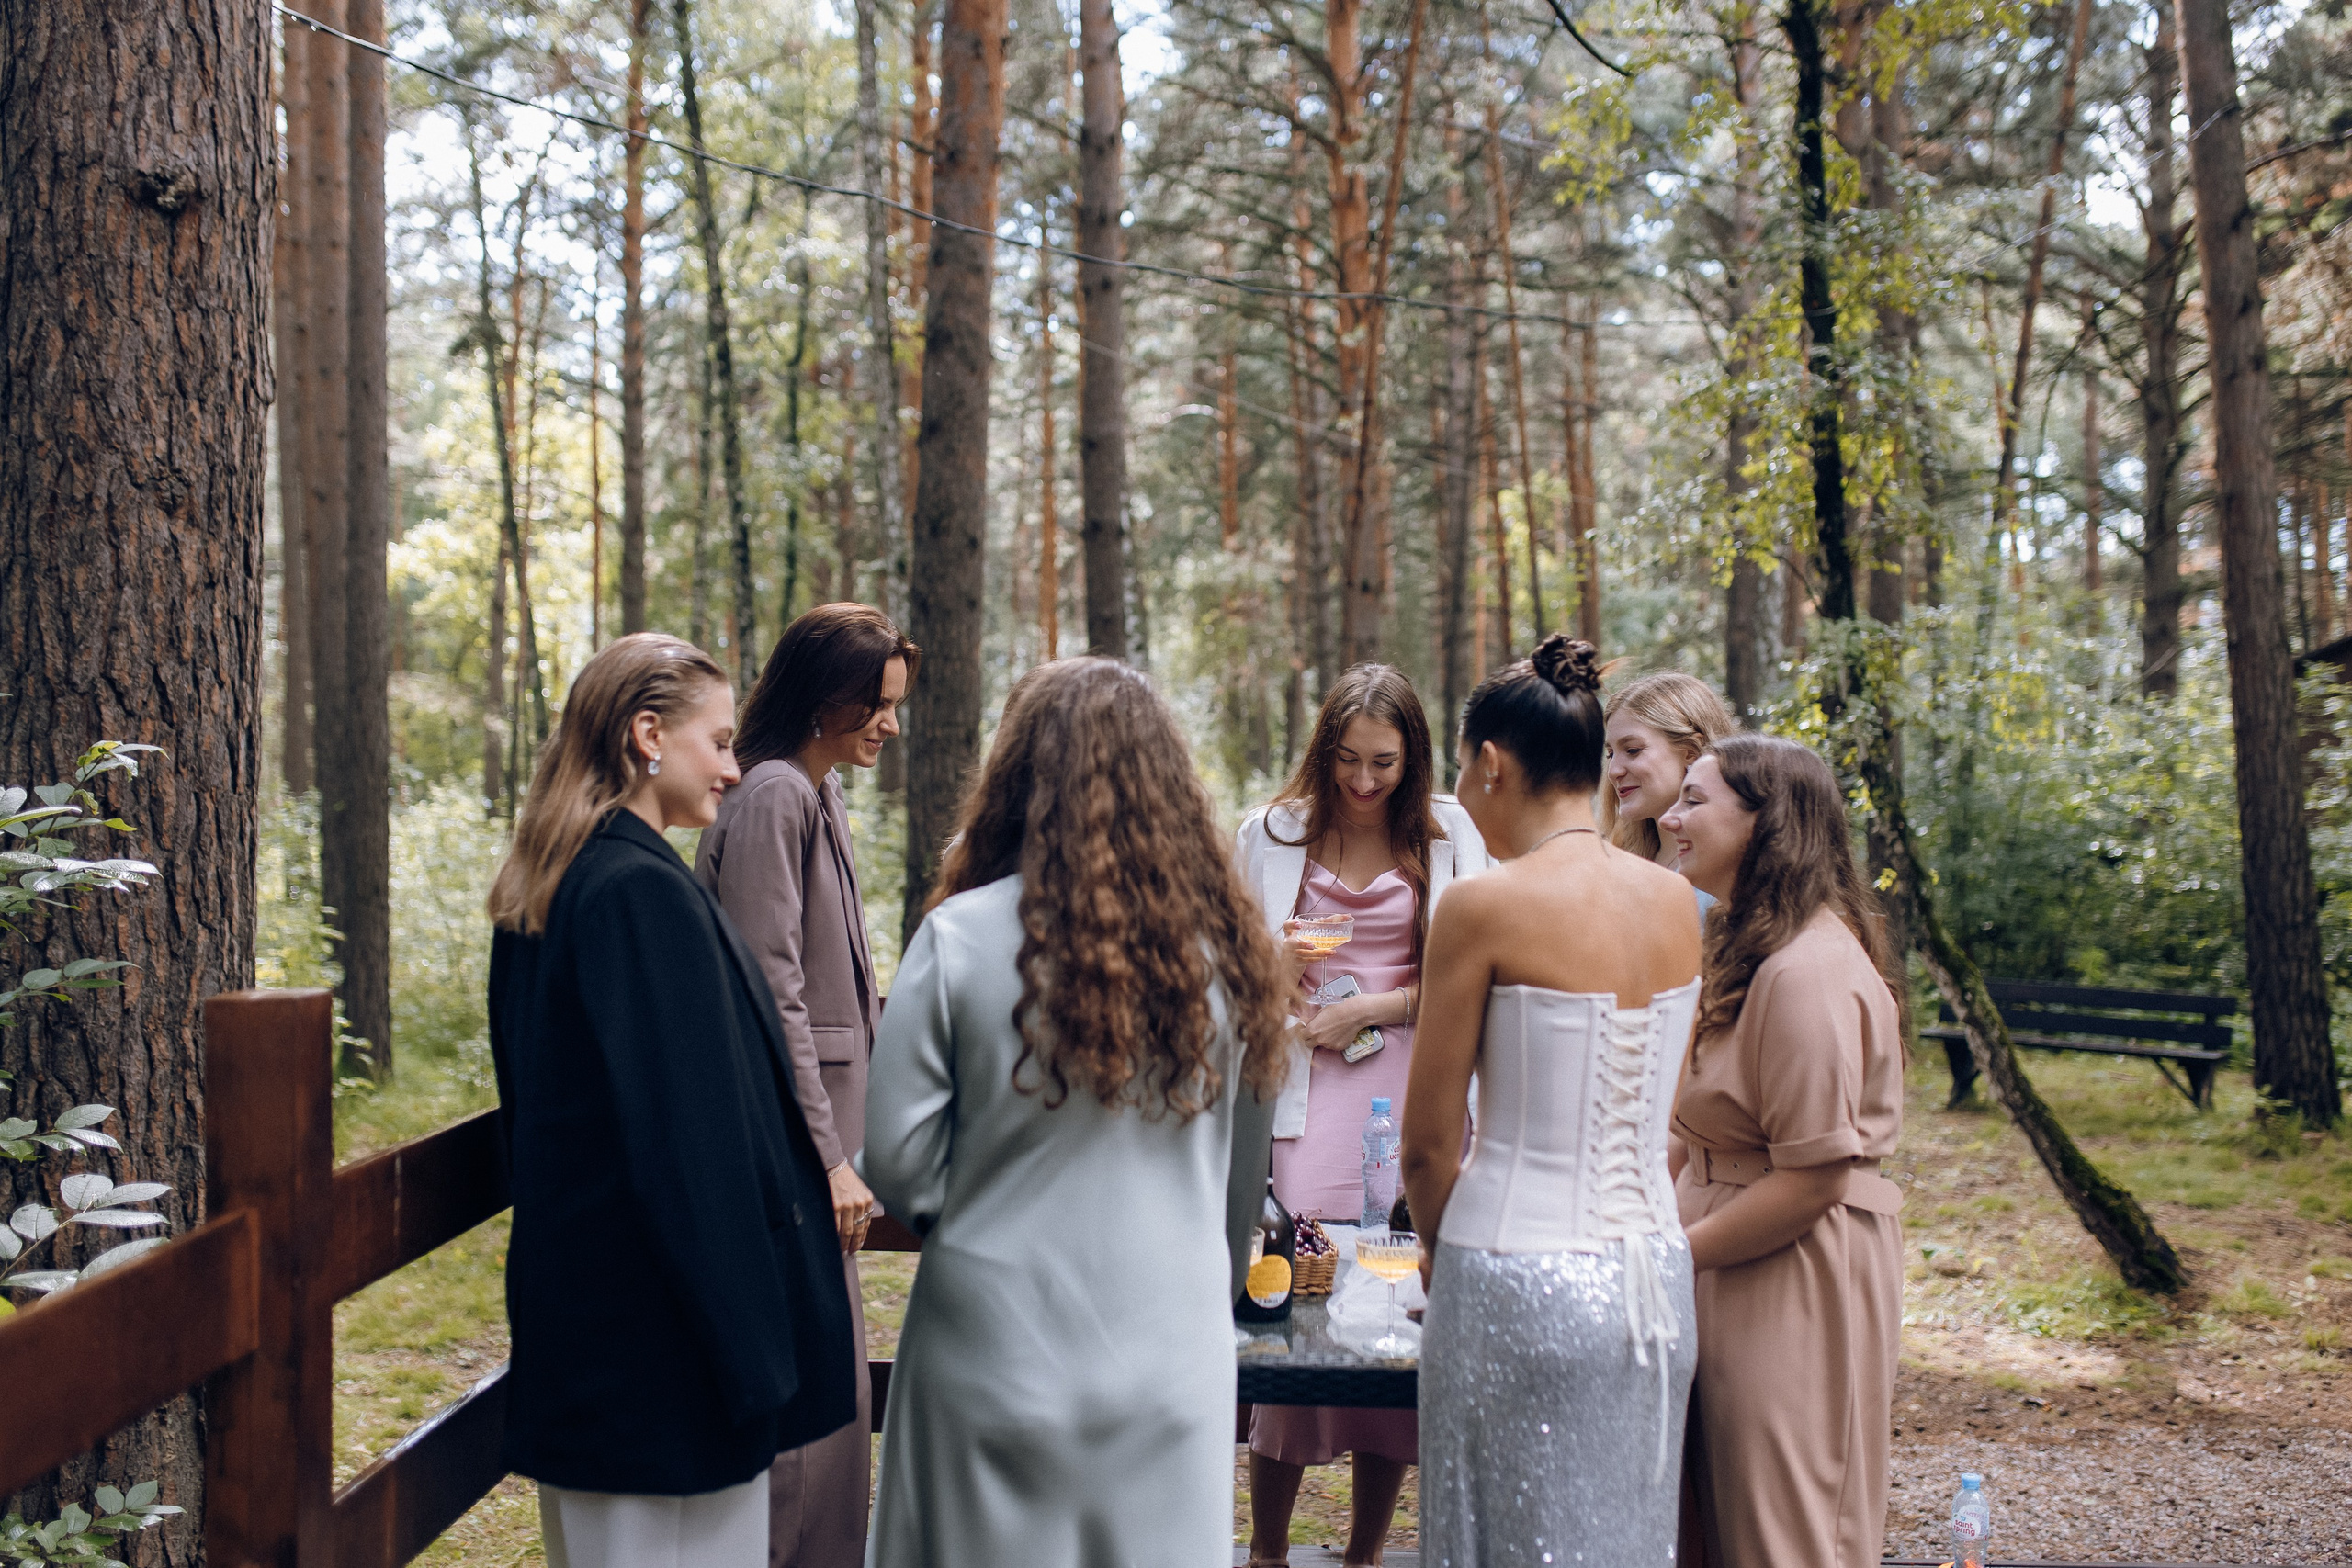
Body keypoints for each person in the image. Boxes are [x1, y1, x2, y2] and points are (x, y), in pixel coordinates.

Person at [860, 658, 1291, 1568]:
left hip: (993, 1342)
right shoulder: (1235, 957)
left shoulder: (959, 936)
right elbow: (1240, 1184)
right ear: (1169, 787)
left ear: (1017, 777)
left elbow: (895, 1161)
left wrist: (986, 1197)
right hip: (1171, 1341)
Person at [485, 633, 854, 1568]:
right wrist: (756, 1359)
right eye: (721, 742)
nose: (735, 768)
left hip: (601, 1335)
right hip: (662, 1356)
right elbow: (692, 1147)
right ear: (648, 735)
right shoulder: (636, 895)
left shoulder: (562, 877)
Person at [1401, 633, 1703, 1567]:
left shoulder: (1484, 907)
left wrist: (1444, 1254)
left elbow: (1425, 1144)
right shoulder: (1677, 904)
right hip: (1652, 1279)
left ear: (1490, 765)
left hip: (1512, 1272)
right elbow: (1667, 1113)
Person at [1233, 663, 1493, 1568]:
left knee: (1393, 1302)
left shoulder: (1451, 835)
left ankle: (1364, 1552)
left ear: (1411, 759)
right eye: (1346, 760)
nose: (1362, 781)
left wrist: (1369, 1011)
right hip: (1307, 1093)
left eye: (1383, 763)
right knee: (1302, 1304)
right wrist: (1274, 972)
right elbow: (1228, 962)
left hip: (1415, 1086)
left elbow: (1478, 975)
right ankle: (1267, 1547)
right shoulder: (1269, 836)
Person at [694, 603, 918, 1568]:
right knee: (806, 1407)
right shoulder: (773, 796)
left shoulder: (815, 794)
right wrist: (824, 1155)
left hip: (824, 1147)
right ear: (827, 699)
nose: (891, 726)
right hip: (788, 1154)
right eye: (879, 705)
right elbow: (766, 988)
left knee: (835, 1391)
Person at [1657, 733, 1906, 1568]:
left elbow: (1814, 1178)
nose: (1669, 815)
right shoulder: (1745, 949)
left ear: (1768, 822)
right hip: (1725, 1262)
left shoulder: (1806, 971)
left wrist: (1664, 1255)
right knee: (1712, 1524)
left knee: (1785, 1533)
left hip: (1793, 1271)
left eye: (1694, 799)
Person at [1600, 671, 1738, 868]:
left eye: (1633, 750)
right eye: (1611, 754)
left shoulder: (1735, 865)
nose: (1614, 772)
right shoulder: (1616, 860)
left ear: (1691, 751)